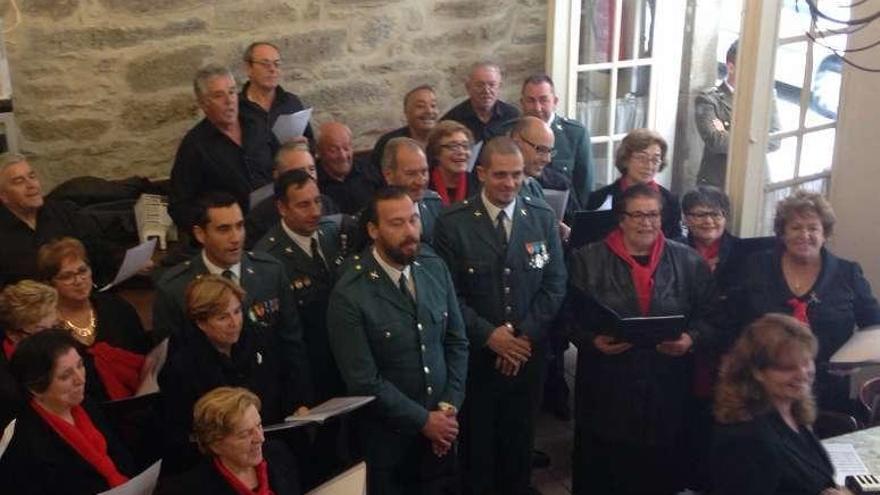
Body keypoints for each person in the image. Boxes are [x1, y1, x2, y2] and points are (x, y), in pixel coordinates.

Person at [434, 137, 567, 495]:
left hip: (528, 356)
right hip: (478, 358)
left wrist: (522, 338)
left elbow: (554, 284)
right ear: (481, 174)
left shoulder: (540, 216)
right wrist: (491, 337)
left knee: (519, 443)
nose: (510, 184)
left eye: (517, 175)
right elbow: (448, 294)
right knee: (478, 450)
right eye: (500, 175)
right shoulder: (453, 223)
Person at [567, 184, 716, 495]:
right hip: (607, 386)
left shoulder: (688, 262)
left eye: (653, 214)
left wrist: (691, 338)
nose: (646, 222)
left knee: (658, 473)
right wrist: (591, 340)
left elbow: (712, 315)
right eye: (637, 215)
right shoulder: (586, 260)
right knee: (607, 473)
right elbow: (567, 318)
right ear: (621, 218)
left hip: (667, 384)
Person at [328, 187, 468, 494]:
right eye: (397, 223)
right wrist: (424, 421)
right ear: (373, 230)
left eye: (414, 220)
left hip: (442, 432)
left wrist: (447, 408)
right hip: (389, 442)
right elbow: (363, 380)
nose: (410, 232)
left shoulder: (434, 268)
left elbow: (457, 342)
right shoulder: (351, 292)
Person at [152, 192, 311, 409]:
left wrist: (300, 403)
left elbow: (291, 343)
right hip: (213, 410)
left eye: (240, 226)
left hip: (274, 404)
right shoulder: (174, 289)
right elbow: (169, 367)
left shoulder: (269, 272)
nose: (236, 238)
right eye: (224, 229)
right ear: (200, 234)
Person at [738, 190, 880, 415]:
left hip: (828, 392)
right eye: (795, 227)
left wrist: (856, 359)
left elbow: (873, 325)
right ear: (782, 233)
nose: (804, 235)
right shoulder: (756, 267)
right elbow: (734, 320)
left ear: (825, 234)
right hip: (763, 387)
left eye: (813, 228)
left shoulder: (848, 273)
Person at [159, 275, 304, 473]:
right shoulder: (182, 367)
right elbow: (184, 432)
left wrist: (297, 407)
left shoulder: (259, 340)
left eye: (237, 312)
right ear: (201, 323)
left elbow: (285, 381)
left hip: (273, 446)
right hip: (220, 463)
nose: (234, 322)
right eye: (222, 317)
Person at [711, 314, 847, 495]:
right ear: (757, 372)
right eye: (788, 367)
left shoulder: (793, 412)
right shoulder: (746, 439)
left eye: (806, 362)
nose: (802, 374)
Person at [0, 329, 134, 494]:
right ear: (36, 388)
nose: (80, 379)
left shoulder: (87, 404)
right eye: (65, 376)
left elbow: (120, 455)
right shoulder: (25, 443)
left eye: (80, 365)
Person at [255, 169, 345, 403]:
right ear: (282, 208)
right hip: (309, 372)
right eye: (303, 205)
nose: (315, 211)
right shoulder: (268, 258)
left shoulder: (333, 233)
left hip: (346, 358)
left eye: (317, 201)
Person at [169, 65, 277, 231]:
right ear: (203, 104)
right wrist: (214, 226)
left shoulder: (255, 122)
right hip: (234, 235)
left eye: (232, 92)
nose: (229, 101)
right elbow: (180, 207)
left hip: (275, 220)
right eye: (219, 95)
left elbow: (279, 159)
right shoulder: (194, 146)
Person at [158, 387, 301, 495]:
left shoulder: (279, 455)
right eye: (245, 434)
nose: (260, 438)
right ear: (216, 444)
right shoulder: (186, 490)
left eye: (259, 425)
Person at [0, 153, 109, 286]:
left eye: (32, 176)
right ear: (3, 196)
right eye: (19, 181)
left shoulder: (62, 211)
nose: (31, 185)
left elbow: (100, 251)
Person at [695, 40, 781, 188]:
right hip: (719, 182)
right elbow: (716, 142)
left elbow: (775, 140)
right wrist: (756, 138)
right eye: (751, 68)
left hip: (756, 183)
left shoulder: (767, 96)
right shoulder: (709, 99)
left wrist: (726, 132)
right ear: (731, 67)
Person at [586, 128, 682, 239]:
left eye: (655, 160)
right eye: (641, 158)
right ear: (625, 159)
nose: (649, 166)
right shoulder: (598, 199)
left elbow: (676, 244)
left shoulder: (670, 201)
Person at [245, 141, 340, 248]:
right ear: (278, 175)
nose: (309, 177)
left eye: (312, 169)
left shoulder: (327, 203)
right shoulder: (259, 220)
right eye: (299, 172)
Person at [520, 74, 593, 209]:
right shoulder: (512, 133)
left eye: (543, 100)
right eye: (530, 100)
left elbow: (584, 188)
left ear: (555, 102)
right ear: (522, 103)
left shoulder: (575, 134)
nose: (537, 107)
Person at [0, 280, 59, 425]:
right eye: (42, 331)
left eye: (55, 327)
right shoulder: (6, 387)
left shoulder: (63, 350)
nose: (53, 338)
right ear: (13, 334)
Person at [239, 41, 314, 148]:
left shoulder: (291, 102)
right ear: (248, 68)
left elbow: (311, 141)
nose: (272, 69)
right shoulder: (237, 107)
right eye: (265, 64)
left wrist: (305, 145)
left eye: (277, 64)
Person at [370, 84, 440, 181]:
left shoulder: (444, 141)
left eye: (433, 105)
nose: (429, 111)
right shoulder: (389, 143)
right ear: (406, 112)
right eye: (420, 106)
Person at [382, 136, 443, 244]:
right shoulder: (377, 215)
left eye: (424, 172)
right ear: (389, 176)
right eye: (411, 174)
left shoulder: (435, 204)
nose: (420, 181)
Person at [441, 62, 520, 144]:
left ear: (499, 87)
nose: (486, 90)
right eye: (480, 85)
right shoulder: (453, 120)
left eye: (492, 85)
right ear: (468, 87)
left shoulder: (513, 117)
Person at [316, 121, 381, 214]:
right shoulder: (314, 182)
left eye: (346, 148)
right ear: (319, 151)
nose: (342, 156)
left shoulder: (368, 171)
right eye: (333, 150)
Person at [426, 120, 479, 207]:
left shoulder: (478, 185)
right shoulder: (425, 183)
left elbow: (479, 214)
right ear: (436, 152)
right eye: (453, 146)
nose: (461, 152)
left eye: (465, 146)